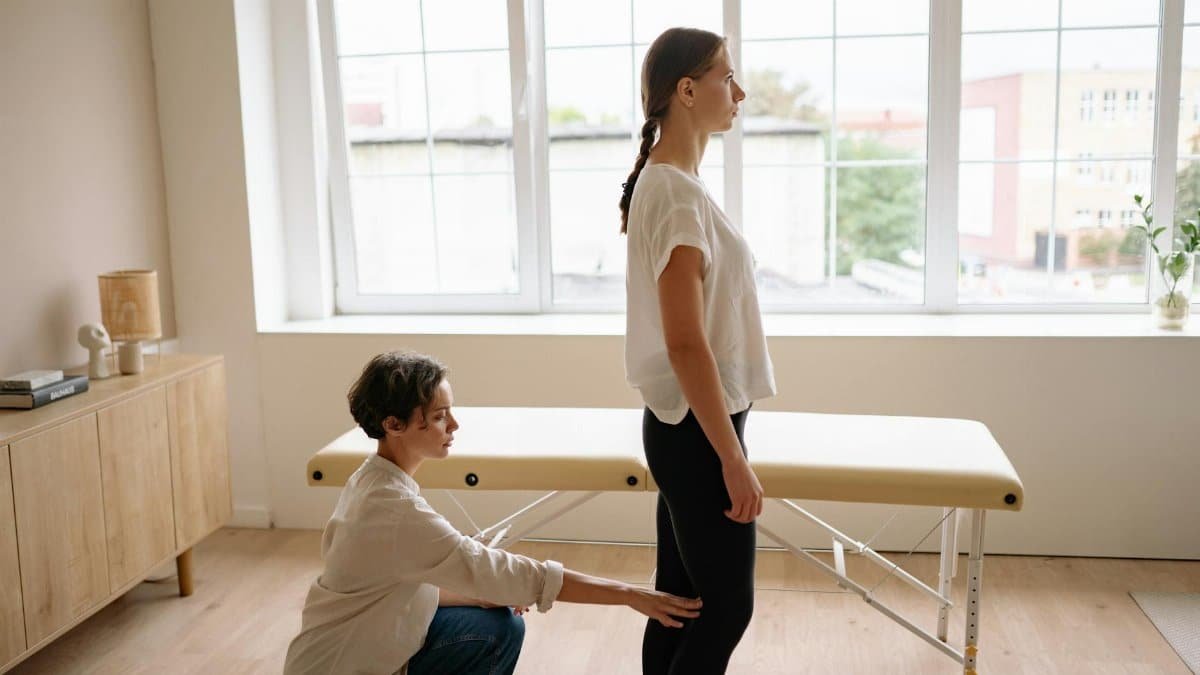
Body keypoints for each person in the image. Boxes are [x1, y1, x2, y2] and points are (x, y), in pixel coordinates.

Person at [284, 350, 702, 675]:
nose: (455, 425)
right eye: (438, 417)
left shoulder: (373, 481)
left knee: (492, 614)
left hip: (353, 646)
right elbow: (517, 574)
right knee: (498, 632)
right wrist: (632, 595)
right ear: (394, 424)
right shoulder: (395, 511)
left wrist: (482, 593)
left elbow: (399, 583)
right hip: (345, 665)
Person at [619, 27, 777, 675]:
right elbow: (685, 342)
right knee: (725, 607)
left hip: (687, 425)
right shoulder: (675, 192)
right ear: (687, 90)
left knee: (680, 601)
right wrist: (732, 457)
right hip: (697, 430)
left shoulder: (671, 183)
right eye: (726, 77)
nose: (739, 92)